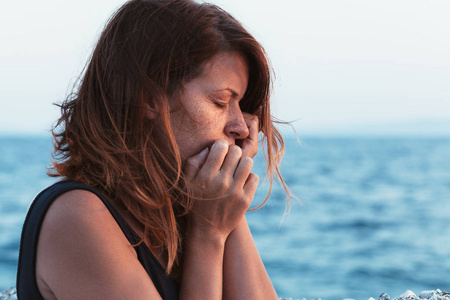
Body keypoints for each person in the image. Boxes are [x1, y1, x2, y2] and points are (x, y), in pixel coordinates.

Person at [17, 0, 291, 298]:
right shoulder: (79, 216)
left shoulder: (185, 209)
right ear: (147, 98)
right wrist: (209, 233)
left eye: (241, 106)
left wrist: (228, 205)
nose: (241, 126)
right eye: (221, 102)